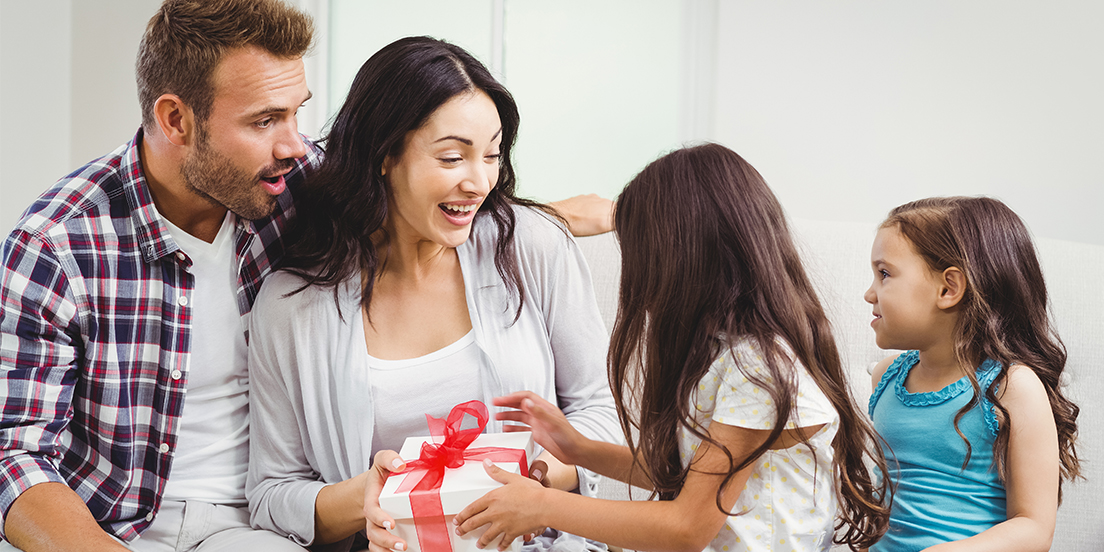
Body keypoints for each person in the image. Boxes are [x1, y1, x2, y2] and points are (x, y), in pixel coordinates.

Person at [0, 3, 612, 551]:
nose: (296, 145)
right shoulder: (56, 247)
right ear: (177, 120)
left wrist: (541, 222)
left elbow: (419, 203)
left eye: (298, 113)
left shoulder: (295, 185)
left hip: (252, 529)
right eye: (265, 120)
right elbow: (15, 455)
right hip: (109, 525)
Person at [243, 36, 621, 552]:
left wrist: (540, 479)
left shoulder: (533, 244)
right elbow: (271, 493)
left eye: (492, 155)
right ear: (384, 155)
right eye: (452, 158)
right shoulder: (292, 304)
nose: (480, 181)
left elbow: (601, 408)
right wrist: (365, 498)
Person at [444, 143, 891, 552]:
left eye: (640, 252)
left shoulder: (760, 368)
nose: (635, 272)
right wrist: (578, 449)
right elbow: (686, 477)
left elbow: (686, 528)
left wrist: (542, 508)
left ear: (683, 257)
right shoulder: (725, 353)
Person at [861, 197, 1080, 551]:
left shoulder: (1011, 388)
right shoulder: (885, 378)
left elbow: (1035, 528)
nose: (869, 293)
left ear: (949, 289)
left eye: (884, 274)